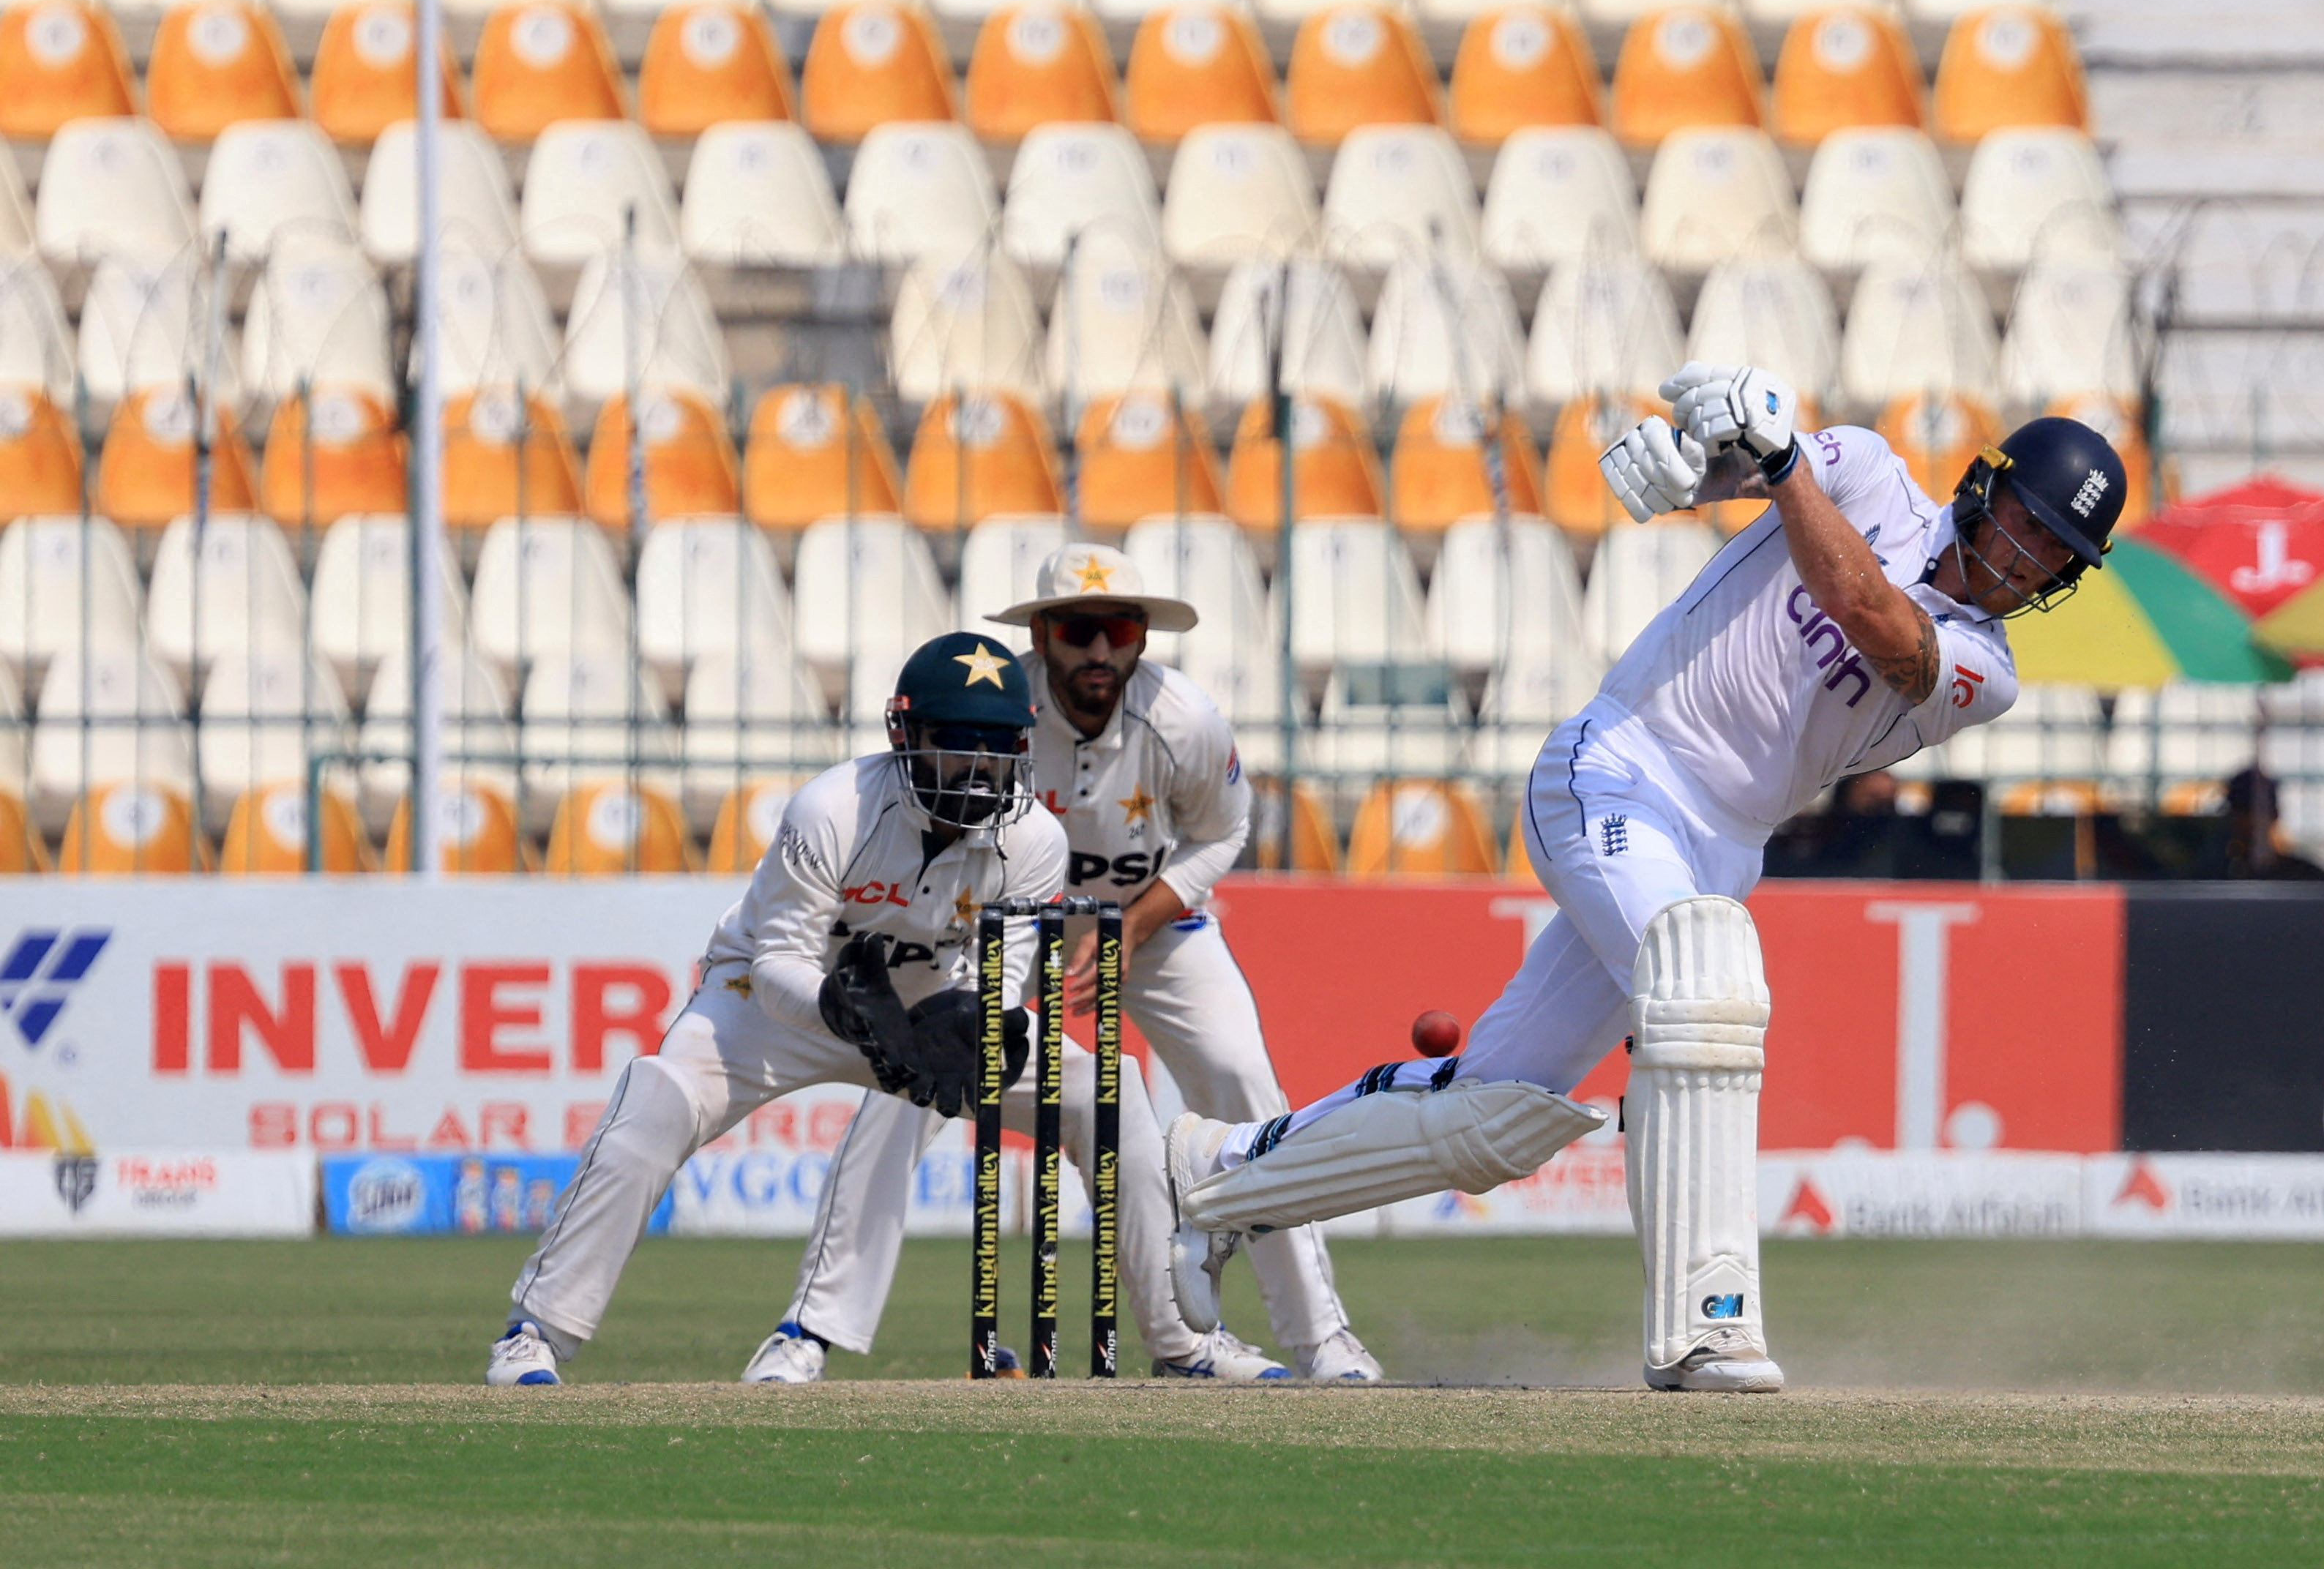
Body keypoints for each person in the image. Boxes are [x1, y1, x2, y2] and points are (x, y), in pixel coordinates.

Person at [1161, 367, 2126, 1392]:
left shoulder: (1985, 668)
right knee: (1701, 993)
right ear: (1985, 487)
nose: (2026, 562)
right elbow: (1737, 475)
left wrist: (1777, 462)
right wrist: (1699, 459)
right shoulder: (1869, 472)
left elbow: (1873, 617)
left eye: (2054, 556)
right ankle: (1708, 1324)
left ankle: (1218, 1175)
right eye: (2025, 526)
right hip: (1620, 764)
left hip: (1721, 846)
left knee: (1492, 1118)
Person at [739, 544, 1382, 1385]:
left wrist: (1135, 922)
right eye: (1080, 631)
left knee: (1239, 1075)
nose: (1101, 651)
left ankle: (1315, 1335)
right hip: (993, 923)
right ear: (1042, 635)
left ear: (1142, 637)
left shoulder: (1184, 718)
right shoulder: (994, 709)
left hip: (1153, 923)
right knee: (910, 1082)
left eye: (1121, 629)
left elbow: (1224, 829)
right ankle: (808, 1331)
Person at [486, 632, 1068, 1386]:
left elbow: (1003, 979)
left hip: (923, 1005)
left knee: (1097, 1090)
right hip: (775, 997)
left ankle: (1183, 1340)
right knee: (660, 1097)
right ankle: (533, 1332)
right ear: (907, 736)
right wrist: (843, 1007)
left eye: (998, 744)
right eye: (958, 740)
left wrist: (979, 1025)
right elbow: (776, 964)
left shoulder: (1037, 841)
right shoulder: (833, 808)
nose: (979, 765)